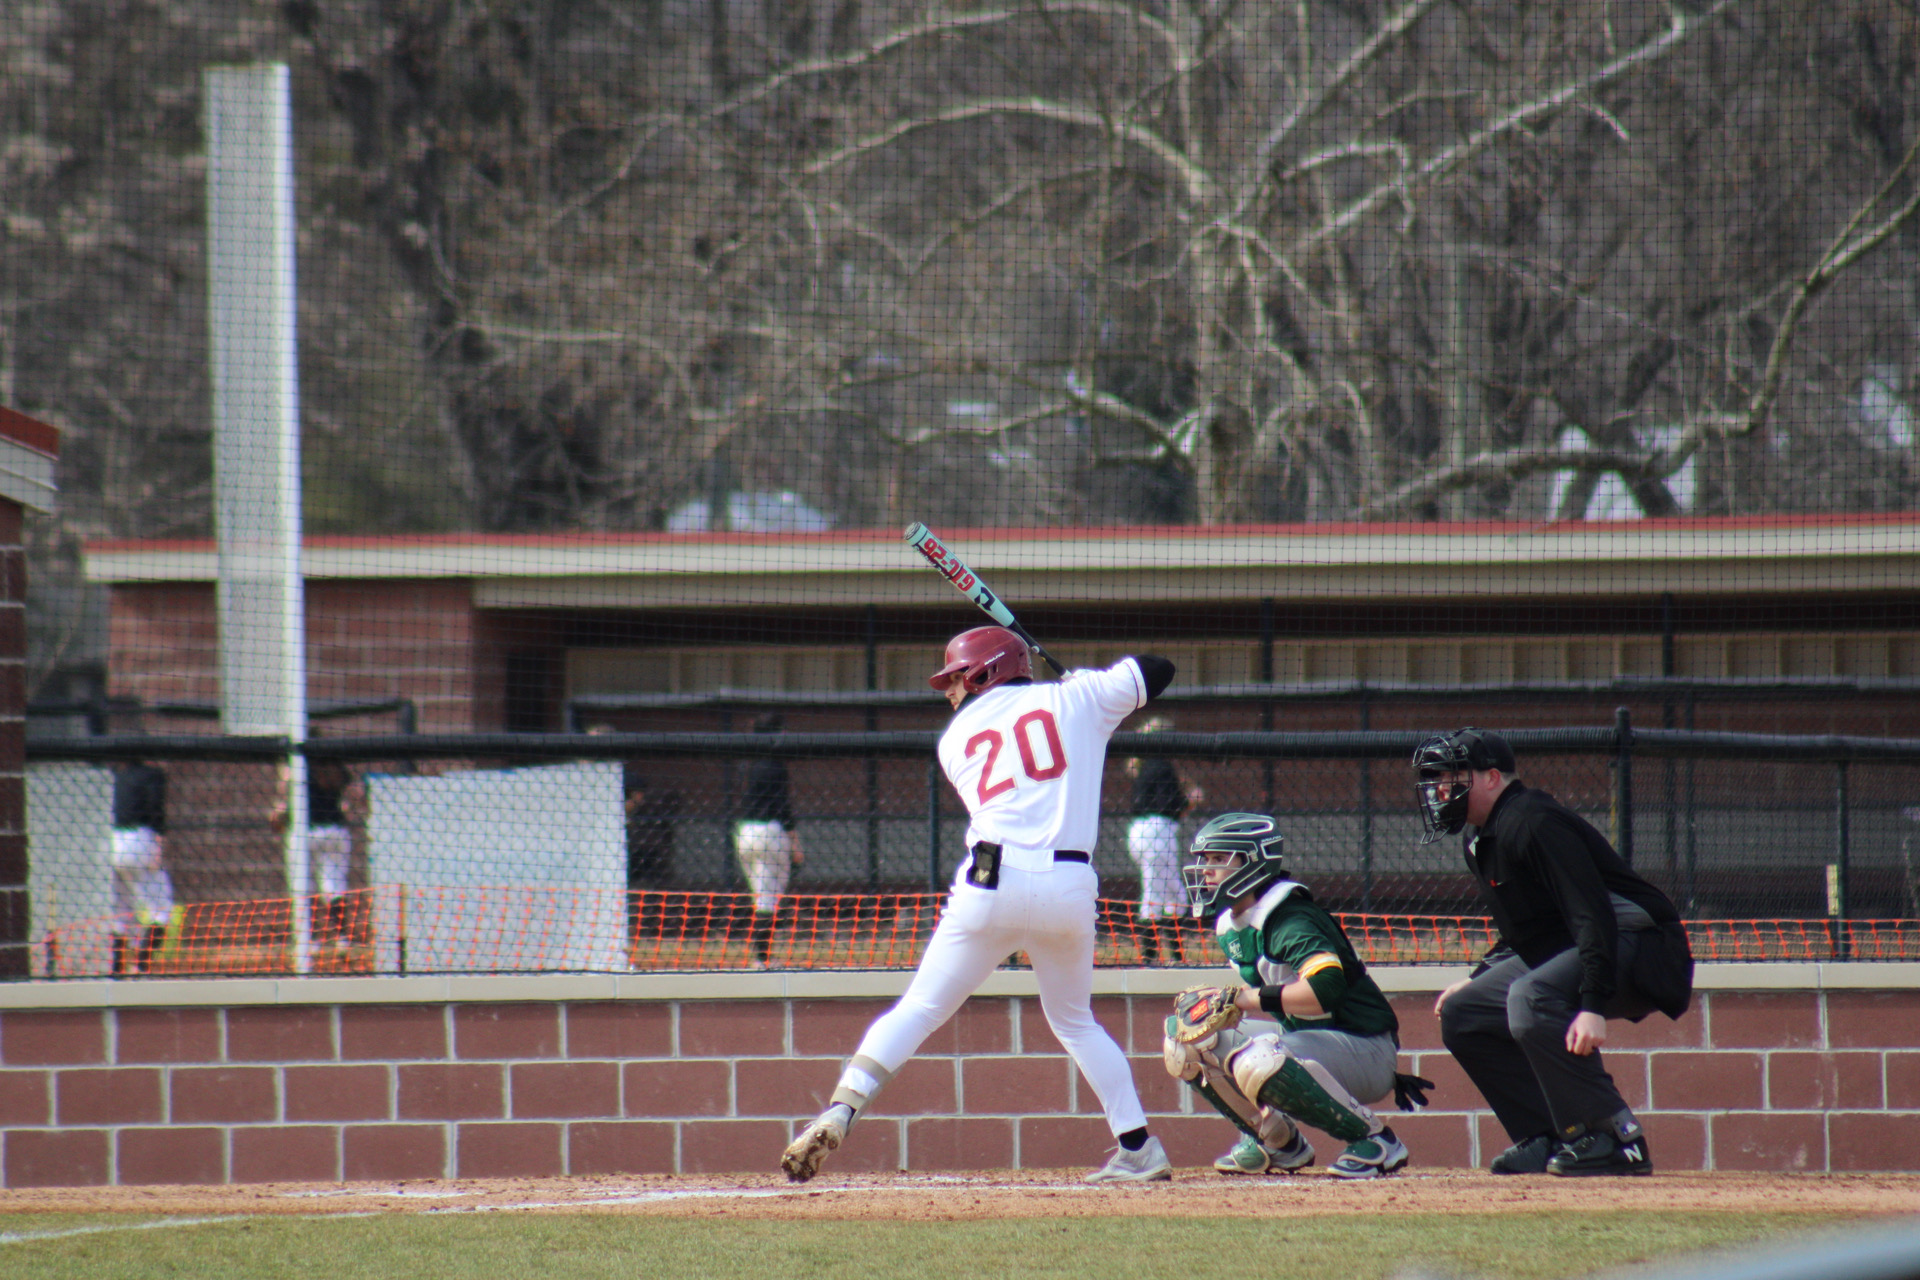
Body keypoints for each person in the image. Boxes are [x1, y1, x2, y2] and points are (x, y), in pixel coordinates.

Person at [781, 626, 1178, 1184]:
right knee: (1076, 1021)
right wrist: (1091, 684)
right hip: (1069, 884)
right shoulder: (1078, 696)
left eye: (956, 678)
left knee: (918, 1009)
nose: (950, 691)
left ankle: (842, 1107)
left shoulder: (953, 741)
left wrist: (1080, 695)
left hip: (991, 881)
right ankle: (1139, 1148)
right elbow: (1159, 668)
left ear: (986, 672)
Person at [1415, 727, 1695, 1177]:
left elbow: (1592, 913)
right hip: (1586, 942)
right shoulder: (1481, 839)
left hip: (1639, 943)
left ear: (1490, 777)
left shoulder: (1532, 820)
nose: (1440, 788)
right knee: (1464, 1013)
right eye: (1437, 778)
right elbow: (1530, 931)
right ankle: (1550, 1135)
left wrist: (1591, 1004)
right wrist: (1478, 976)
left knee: (1531, 997)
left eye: (1452, 776)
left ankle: (1615, 1137)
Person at [1167, 813, 1420, 1179]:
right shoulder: (1233, 923)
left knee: (1259, 1056)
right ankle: (1279, 1142)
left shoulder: (1289, 916)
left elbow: (1325, 989)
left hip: (1365, 1048)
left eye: (1219, 860)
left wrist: (1241, 999)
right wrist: (1228, 1008)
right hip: (1312, 1041)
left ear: (1252, 862)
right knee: (1185, 1040)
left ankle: (1376, 1141)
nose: (1206, 870)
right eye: (1205, 860)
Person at [1123, 715, 1202, 964]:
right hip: (1157, 832)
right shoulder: (1160, 765)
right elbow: (1170, 806)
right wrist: (1191, 800)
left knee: (1173, 894)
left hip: (1143, 832)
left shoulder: (1146, 765)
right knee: (1157, 894)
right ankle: (1152, 957)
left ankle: (1173, 957)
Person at [271, 757, 359, 953]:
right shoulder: (335, 766)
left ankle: (309, 939)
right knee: (334, 885)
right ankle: (342, 938)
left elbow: (282, 803)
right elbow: (350, 800)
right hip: (335, 830)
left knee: (302, 886)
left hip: (304, 831)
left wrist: (278, 815)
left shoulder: (293, 764)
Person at [735, 712, 802, 969]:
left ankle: (761, 956)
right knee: (768, 899)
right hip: (769, 834)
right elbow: (782, 809)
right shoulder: (775, 765)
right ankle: (761, 959)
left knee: (761, 896)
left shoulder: (748, 763)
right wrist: (796, 845)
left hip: (745, 833)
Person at [110, 760, 172, 976]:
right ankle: (141, 965)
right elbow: (155, 809)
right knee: (162, 910)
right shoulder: (154, 775)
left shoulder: (119, 774)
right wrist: (159, 846)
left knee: (122, 910)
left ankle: (116, 968)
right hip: (140, 840)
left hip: (113, 842)